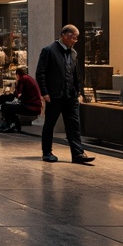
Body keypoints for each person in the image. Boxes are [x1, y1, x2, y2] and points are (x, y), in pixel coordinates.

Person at [36, 24, 94, 164]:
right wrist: (44, 92)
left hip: (70, 96)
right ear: (64, 36)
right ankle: (47, 152)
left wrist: (78, 92)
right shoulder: (49, 50)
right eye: (73, 37)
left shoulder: (73, 53)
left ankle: (78, 154)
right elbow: (40, 73)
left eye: (76, 38)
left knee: (74, 124)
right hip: (54, 95)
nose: (75, 40)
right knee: (50, 124)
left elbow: (76, 74)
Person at [0, 67, 42, 132]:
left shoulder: (22, 79)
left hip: (30, 107)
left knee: (5, 106)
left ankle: (11, 125)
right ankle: (15, 125)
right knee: (11, 107)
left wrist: (16, 85)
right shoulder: (28, 78)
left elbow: (19, 94)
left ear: (17, 74)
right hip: (35, 107)